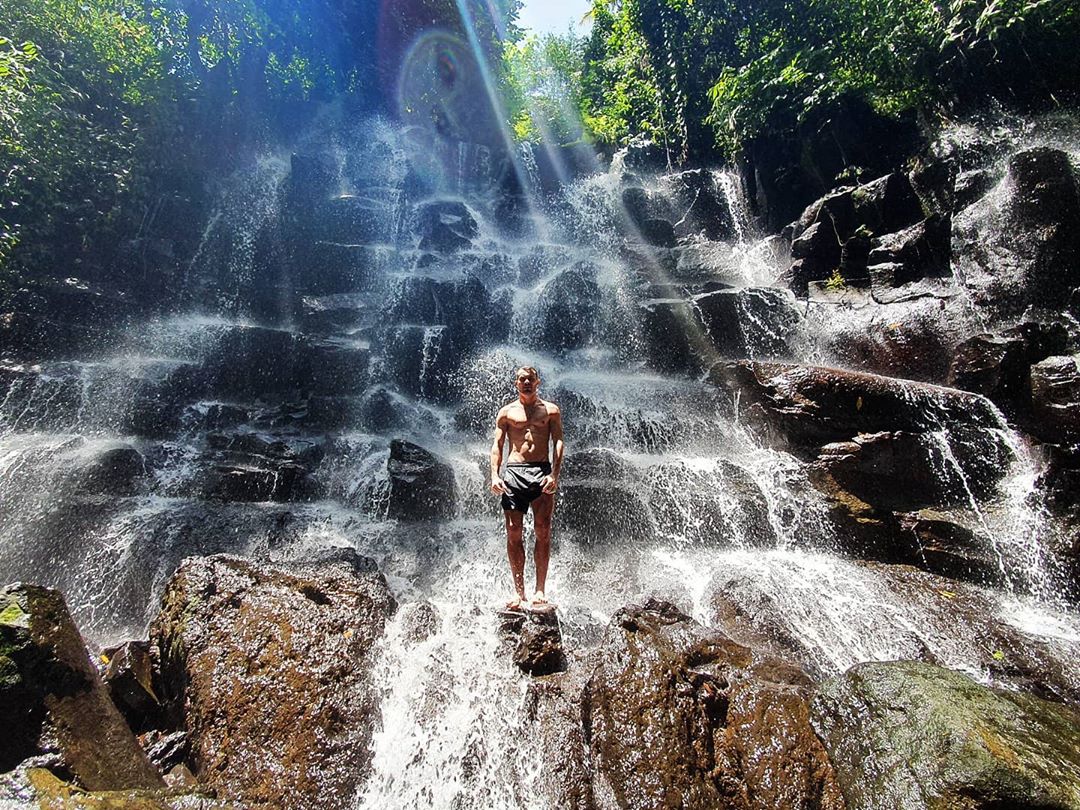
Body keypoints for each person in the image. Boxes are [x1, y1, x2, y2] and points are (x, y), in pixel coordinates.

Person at [490, 366, 564, 611]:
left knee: (543, 529)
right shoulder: (506, 412)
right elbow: (497, 445)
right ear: (516, 384)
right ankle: (519, 593)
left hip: (541, 471)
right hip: (514, 472)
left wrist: (554, 473)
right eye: (521, 379)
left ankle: (540, 589)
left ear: (537, 382)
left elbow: (559, 441)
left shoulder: (551, 411)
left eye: (530, 379)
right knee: (513, 532)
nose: (525, 383)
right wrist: (494, 475)